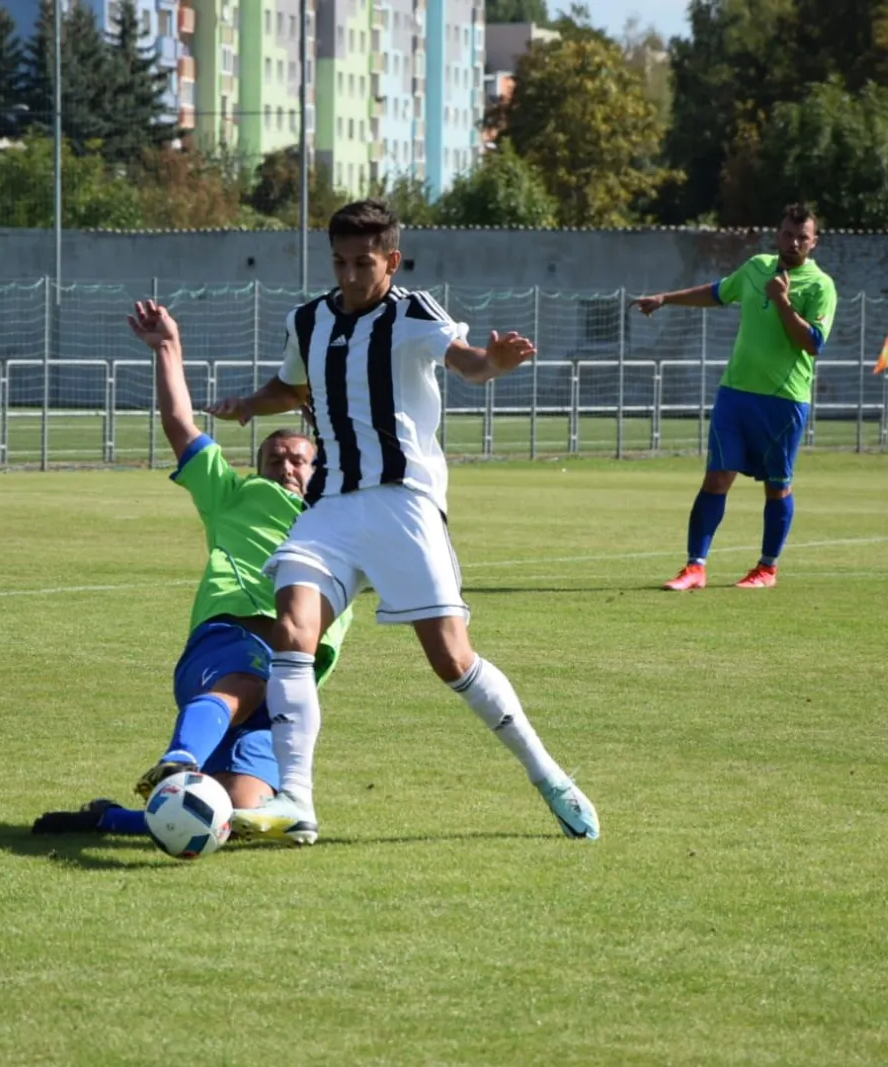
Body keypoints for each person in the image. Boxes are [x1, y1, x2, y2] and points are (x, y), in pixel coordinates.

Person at [206, 199, 599, 846]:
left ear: (391, 260)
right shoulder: (307, 319)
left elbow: (467, 361)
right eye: (339, 261)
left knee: (451, 659)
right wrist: (250, 404)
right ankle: (297, 801)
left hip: (403, 502)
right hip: (330, 505)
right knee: (291, 632)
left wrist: (495, 363)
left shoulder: (413, 312)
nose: (349, 275)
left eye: (363, 263)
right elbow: (293, 387)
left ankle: (549, 776)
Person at [32, 301, 351, 838]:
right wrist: (167, 347)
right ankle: (180, 755)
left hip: (296, 676)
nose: (285, 465)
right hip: (232, 638)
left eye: (297, 458)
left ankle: (111, 819)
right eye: (274, 458)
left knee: (237, 811)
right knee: (248, 679)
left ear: (318, 469)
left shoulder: (340, 514)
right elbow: (181, 424)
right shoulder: (234, 495)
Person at [631, 202, 839, 590]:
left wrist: (782, 300)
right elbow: (717, 293)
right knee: (716, 478)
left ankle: (766, 568)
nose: (793, 243)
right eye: (787, 234)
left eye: (802, 237)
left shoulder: (820, 286)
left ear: (815, 242)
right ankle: (695, 567)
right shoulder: (757, 267)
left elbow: (812, 343)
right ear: (777, 235)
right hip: (735, 393)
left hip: (784, 400)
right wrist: (666, 298)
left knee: (777, 485)